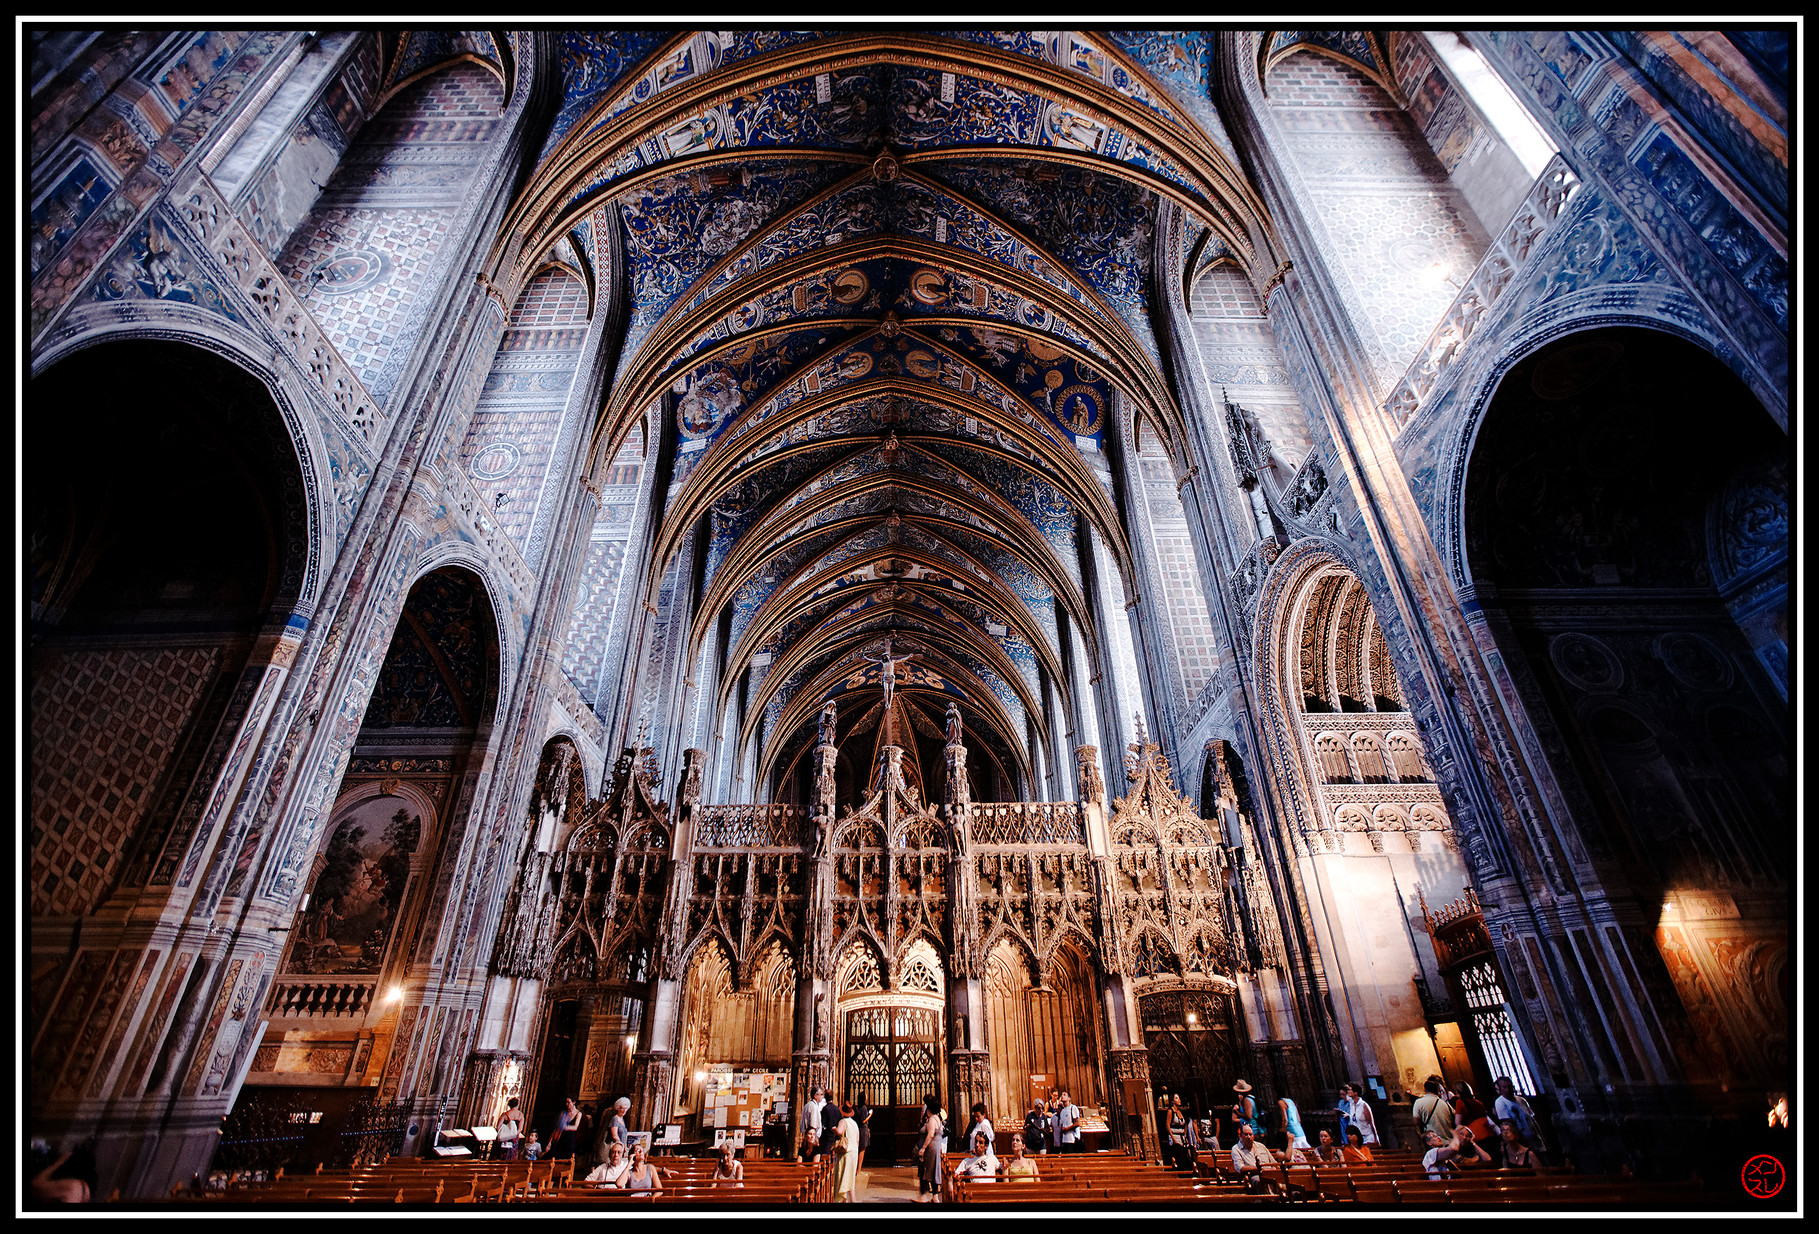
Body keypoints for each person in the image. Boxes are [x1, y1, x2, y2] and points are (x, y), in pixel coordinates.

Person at [1493, 1077, 1545, 1151]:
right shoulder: (1500, 1102)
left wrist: (1541, 1136)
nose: (1508, 1090)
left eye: (1509, 1086)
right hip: (1522, 1140)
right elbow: (1508, 1124)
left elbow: (1532, 1120)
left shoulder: (1521, 1100)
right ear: (1500, 1089)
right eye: (1504, 1087)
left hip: (1534, 1137)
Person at [1229, 1122, 1275, 1192]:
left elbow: (1274, 1163)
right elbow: (1240, 1168)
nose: (1249, 1137)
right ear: (1241, 1135)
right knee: (1259, 1180)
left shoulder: (1261, 1146)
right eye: (1246, 1134)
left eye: (1250, 1134)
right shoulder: (1236, 1149)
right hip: (1253, 1176)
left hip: (1270, 1174)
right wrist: (1259, 1169)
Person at [917, 1094, 944, 1204]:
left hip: (932, 1149)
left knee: (929, 1172)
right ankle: (934, 1197)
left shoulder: (933, 1119)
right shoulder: (937, 1118)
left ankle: (929, 1197)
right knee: (933, 1172)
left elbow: (930, 1135)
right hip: (936, 1147)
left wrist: (923, 1148)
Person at [1412, 1077, 1455, 1143]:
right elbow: (1454, 1118)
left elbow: (1416, 1122)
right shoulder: (1445, 1104)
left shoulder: (1419, 1102)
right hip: (1449, 1141)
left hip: (1434, 1140)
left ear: (1425, 1090)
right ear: (1437, 1090)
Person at [1163, 1095, 1199, 1170]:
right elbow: (1167, 1125)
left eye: (1179, 1098)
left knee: (1186, 1156)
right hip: (1175, 1136)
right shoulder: (1170, 1111)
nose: (1179, 1100)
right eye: (1176, 1098)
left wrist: (1185, 1135)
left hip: (1182, 1137)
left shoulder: (1180, 1111)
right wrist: (1173, 1138)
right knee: (1180, 1156)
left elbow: (1185, 1124)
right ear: (1172, 1101)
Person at [834, 1103, 860, 1201]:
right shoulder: (854, 1123)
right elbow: (857, 1140)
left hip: (846, 1153)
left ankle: (842, 1200)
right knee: (850, 1179)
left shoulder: (843, 1121)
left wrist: (834, 1130)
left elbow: (840, 1131)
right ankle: (853, 1200)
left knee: (842, 1177)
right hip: (854, 1152)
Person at [798, 1086, 825, 1162]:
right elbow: (813, 1125)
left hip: (807, 1135)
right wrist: (815, 1139)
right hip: (812, 1138)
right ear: (815, 1096)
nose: (822, 1097)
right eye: (821, 1094)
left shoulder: (807, 1105)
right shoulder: (813, 1107)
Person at [853, 1093, 872, 1174]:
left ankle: (857, 1168)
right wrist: (870, 1115)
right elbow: (863, 1120)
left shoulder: (857, 1108)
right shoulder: (864, 1108)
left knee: (859, 1148)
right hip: (863, 1129)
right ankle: (859, 1169)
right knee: (862, 1148)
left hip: (858, 1129)